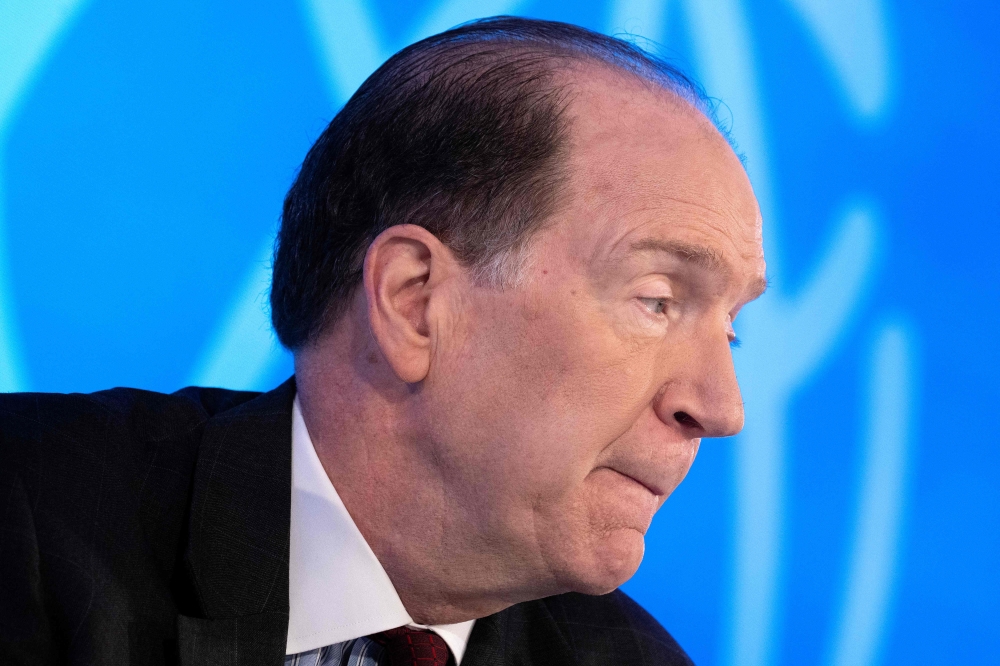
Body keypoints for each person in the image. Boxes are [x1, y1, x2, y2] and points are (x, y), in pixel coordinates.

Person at [0, 16, 767, 666]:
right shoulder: (30, 521)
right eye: (659, 300)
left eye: (730, 329)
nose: (722, 409)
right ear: (415, 302)